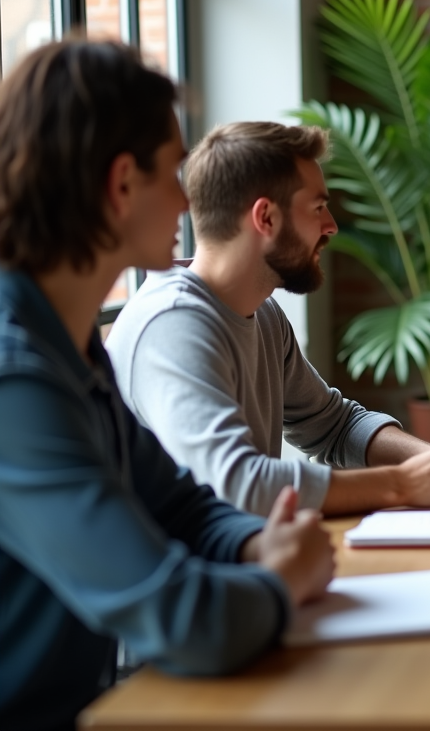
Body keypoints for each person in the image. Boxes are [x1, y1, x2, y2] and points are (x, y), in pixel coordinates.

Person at [0, 40, 336, 731]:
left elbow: (179, 506)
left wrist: (256, 544)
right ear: (122, 184)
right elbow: (182, 618)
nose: (187, 200)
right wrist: (282, 577)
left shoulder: (69, 344)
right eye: (173, 172)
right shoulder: (17, 381)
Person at [106, 122, 430, 518]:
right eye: (318, 207)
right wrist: (406, 483)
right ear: (266, 217)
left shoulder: (263, 313)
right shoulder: (172, 324)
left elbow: (335, 426)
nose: (332, 226)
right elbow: (236, 483)